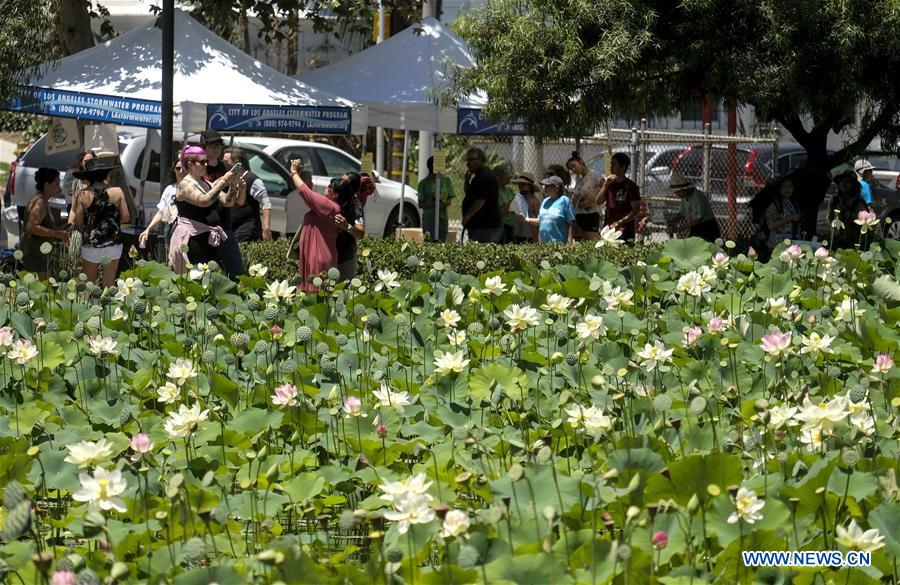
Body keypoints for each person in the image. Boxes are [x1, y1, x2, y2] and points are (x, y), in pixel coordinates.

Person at [168, 146, 240, 274]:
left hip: (208, 239)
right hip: (192, 240)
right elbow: (204, 201)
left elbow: (228, 202)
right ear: (190, 164)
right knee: (192, 277)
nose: (206, 164)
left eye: (206, 161)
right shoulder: (184, 184)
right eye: (202, 162)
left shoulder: (206, 183)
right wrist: (224, 180)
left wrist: (233, 183)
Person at [70, 157, 130, 287]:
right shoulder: (117, 191)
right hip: (113, 242)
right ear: (105, 174)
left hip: (91, 244)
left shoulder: (83, 195)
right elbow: (126, 217)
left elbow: (79, 222)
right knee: (109, 284)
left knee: (89, 284)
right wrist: (112, 221)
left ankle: (89, 301)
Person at [288, 158, 346, 292]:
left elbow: (306, 193)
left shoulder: (330, 207)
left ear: (335, 194)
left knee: (317, 295)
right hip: (314, 257)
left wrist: (294, 172)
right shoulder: (327, 207)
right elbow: (309, 195)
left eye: (330, 187)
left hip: (319, 259)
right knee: (311, 296)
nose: (327, 187)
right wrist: (301, 175)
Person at [200, 130, 244, 278]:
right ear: (204, 146)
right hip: (202, 226)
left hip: (224, 225)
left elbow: (232, 201)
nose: (217, 148)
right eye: (212, 144)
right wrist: (221, 181)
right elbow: (204, 193)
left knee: (236, 271)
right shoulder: (199, 167)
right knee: (201, 272)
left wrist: (236, 187)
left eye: (219, 144)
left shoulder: (226, 168)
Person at [22, 168, 69, 280]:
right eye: (57, 184)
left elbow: (43, 226)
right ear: (47, 185)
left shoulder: (43, 200)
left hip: (40, 254)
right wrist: (56, 234)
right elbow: (31, 227)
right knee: (40, 288)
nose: (59, 188)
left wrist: (59, 229)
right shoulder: (40, 202)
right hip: (35, 255)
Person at [223, 147, 272, 242]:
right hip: (232, 228)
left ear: (237, 163)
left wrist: (266, 228)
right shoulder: (229, 179)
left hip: (247, 230)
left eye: (226, 162)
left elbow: (266, 203)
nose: (224, 165)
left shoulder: (252, 180)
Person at [138, 159, 185, 252]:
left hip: (186, 228)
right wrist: (148, 229)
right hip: (171, 228)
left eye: (184, 168)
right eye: (178, 168)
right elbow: (161, 212)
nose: (181, 171)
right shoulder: (169, 189)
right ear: (174, 170)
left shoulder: (193, 187)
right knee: (172, 257)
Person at [596, 152, 641, 240]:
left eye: (614, 164)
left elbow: (636, 210)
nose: (611, 167)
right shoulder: (610, 184)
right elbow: (598, 201)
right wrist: (605, 185)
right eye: (611, 164)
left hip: (625, 230)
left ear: (623, 167)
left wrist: (620, 222)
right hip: (609, 228)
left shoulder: (630, 186)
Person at [517, 175, 575, 244]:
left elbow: (571, 223)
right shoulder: (545, 201)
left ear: (556, 188)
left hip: (559, 244)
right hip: (543, 244)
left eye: (547, 186)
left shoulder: (564, 200)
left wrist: (569, 242)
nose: (544, 188)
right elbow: (540, 221)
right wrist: (526, 219)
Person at [461, 148, 502, 243]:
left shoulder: (483, 176)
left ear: (480, 160)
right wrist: (467, 182)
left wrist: (467, 216)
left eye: (471, 160)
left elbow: (479, 201)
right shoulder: (479, 176)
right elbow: (470, 196)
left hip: (485, 227)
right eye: (467, 160)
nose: (468, 163)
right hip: (483, 226)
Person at [665, 174, 721, 242]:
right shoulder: (685, 198)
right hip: (696, 228)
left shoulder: (697, 196)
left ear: (684, 189)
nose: (676, 195)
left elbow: (698, 220)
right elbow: (682, 213)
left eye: (677, 192)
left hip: (707, 228)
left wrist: (678, 229)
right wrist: (672, 221)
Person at [334, 172, 366, 281]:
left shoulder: (356, 205)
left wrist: (346, 226)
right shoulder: (333, 196)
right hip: (328, 252)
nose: (339, 183)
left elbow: (360, 233)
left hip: (345, 256)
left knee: (343, 288)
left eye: (343, 183)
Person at [567, 152, 605, 240]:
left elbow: (606, 187)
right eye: (571, 169)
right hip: (579, 215)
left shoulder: (594, 175)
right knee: (580, 242)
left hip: (591, 215)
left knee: (591, 241)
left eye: (574, 166)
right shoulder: (579, 180)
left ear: (581, 162)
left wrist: (593, 200)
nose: (573, 169)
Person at [417, 156, 455, 242]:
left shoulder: (446, 181)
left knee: (441, 243)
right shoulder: (423, 183)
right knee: (429, 243)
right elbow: (420, 204)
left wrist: (446, 202)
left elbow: (449, 200)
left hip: (442, 219)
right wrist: (431, 205)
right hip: (429, 219)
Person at [831, 170, 871, 249]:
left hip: (853, 242)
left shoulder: (859, 203)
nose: (844, 184)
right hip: (837, 239)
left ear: (854, 185)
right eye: (842, 181)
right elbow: (830, 219)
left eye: (848, 181)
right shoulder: (835, 200)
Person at [764, 177, 804, 251]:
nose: (787, 189)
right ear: (779, 188)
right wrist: (791, 218)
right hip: (776, 246)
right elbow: (771, 226)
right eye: (784, 186)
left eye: (789, 186)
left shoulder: (794, 203)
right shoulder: (774, 204)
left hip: (791, 245)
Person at [509, 172, 539, 243]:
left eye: (524, 184)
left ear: (530, 186)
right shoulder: (515, 197)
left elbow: (538, 218)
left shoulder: (534, 200)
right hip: (515, 232)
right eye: (520, 183)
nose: (521, 186)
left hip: (528, 234)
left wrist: (535, 236)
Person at [495, 164, 518, 244]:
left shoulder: (509, 190)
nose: (509, 178)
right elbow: (500, 212)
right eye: (506, 176)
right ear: (498, 177)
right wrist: (512, 202)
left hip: (512, 225)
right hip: (501, 225)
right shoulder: (495, 192)